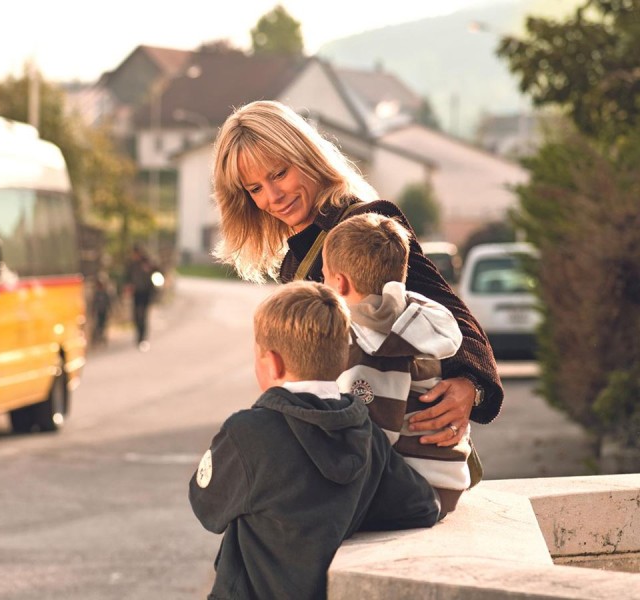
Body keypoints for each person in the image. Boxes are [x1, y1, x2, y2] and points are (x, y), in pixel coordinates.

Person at [211, 99, 502, 458]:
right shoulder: (293, 263)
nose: (272, 197)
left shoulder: (366, 223)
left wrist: (471, 386)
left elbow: (455, 317)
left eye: (279, 174)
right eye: (254, 189)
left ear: (306, 157)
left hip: (402, 452)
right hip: (344, 448)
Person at [189, 281, 441, 600]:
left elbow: (207, 508)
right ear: (341, 358)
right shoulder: (366, 433)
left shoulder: (248, 434)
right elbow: (421, 507)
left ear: (273, 362)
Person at [323, 212, 471, 515]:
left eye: (323, 275)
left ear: (339, 282)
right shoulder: (415, 319)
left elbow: (372, 434)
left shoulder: (368, 344)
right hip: (445, 478)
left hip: (414, 489)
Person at [124, 245, 158, 351]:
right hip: (136, 293)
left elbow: (156, 272)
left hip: (146, 293)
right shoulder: (131, 264)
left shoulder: (147, 263)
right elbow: (127, 277)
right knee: (136, 315)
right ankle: (138, 335)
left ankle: (143, 338)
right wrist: (128, 286)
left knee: (143, 315)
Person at [91, 275, 114, 347]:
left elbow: (108, 302)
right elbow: (94, 303)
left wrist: (110, 311)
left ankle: (102, 337)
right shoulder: (96, 294)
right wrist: (93, 310)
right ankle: (98, 337)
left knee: (103, 325)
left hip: (104, 311)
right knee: (98, 325)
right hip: (98, 311)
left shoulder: (105, 293)